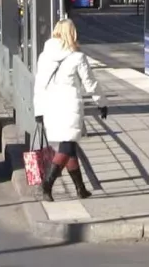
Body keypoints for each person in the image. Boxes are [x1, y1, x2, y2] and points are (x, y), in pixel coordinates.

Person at [33, 19, 107, 201]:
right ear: (72, 33)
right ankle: (47, 184)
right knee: (66, 147)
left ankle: (80, 188)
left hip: (51, 107)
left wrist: (38, 111)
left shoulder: (44, 56)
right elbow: (90, 82)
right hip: (69, 107)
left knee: (70, 146)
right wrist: (101, 102)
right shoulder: (77, 57)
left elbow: (39, 85)